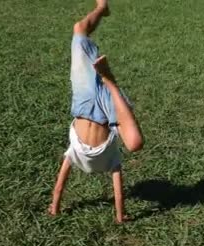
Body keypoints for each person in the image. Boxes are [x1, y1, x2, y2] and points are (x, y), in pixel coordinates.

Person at [48, 0, 144, 223]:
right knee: (79, 29)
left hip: (95, 106)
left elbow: (62, 183)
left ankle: (102, 8)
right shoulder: (78, 154)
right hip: (94, 106)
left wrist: (55, 207)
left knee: (79, 30)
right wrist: (54, 205)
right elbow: (61, 183)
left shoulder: (95, 157)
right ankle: (108, 79)